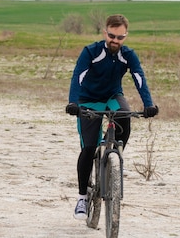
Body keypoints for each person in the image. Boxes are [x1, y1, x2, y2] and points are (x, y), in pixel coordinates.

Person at [66, 14, 158, 220]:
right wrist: (73, 102)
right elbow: (77, 76)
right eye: (111, 36)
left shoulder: (128, 55)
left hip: (112, 97)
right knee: (89, 148)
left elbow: (139, 78)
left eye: (120, 37)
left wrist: (148, 105)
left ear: (125, 36)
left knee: (125, 114)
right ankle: (82, 197)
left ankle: (115, 157)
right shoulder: (91, 51)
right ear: (104, 32)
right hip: (88, 100)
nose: (115, 41)